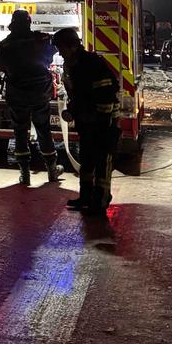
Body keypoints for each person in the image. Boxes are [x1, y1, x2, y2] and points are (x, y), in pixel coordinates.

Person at [52, 27, 120, 215]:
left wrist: (102, 123)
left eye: (61, 48)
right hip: (87, 121)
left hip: (103, 121)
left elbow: (106, 93)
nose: (60, 53)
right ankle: (86, 197)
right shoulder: (73, 65)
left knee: (102, 161)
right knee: (87, 159)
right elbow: (80, 95)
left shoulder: (91, 63)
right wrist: (73, 111)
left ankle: (100, 201)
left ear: (72, 46)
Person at [0, 10, 61, 186]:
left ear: (13, 24)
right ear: (29, 23)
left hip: (17, 95)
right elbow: (53, 51)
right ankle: (52, 170)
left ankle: (25, 174)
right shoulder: (40, 39)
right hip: (39, 94)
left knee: (20, 133)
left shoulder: (6, 44)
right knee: (43, 130)